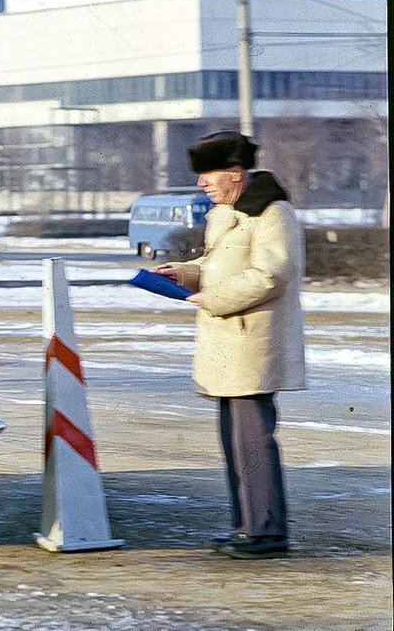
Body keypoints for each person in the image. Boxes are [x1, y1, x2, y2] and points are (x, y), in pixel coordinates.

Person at [155, 131, 305, 559]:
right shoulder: (228, 213)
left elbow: (271, 274)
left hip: (251, 344)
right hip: (228, 347)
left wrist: (213, 299)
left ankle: (268, 533)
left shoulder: (272, 213)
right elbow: (216, 263)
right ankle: (247, 527)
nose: (202, 183)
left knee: (253, 442)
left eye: (208, 174)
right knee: (235, 441)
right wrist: (183, 273)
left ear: (235, 173)